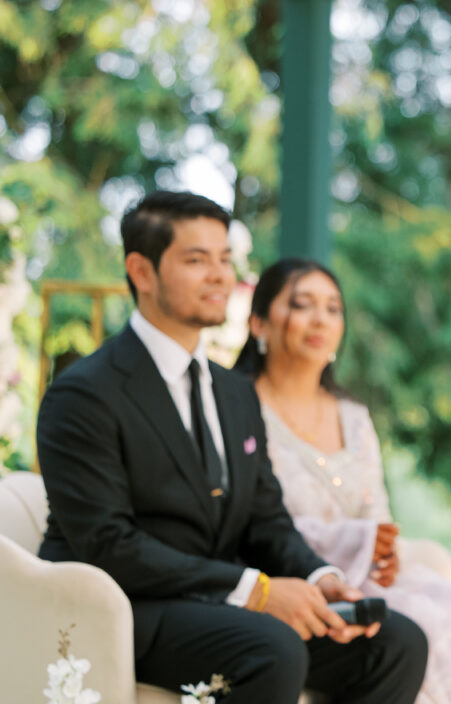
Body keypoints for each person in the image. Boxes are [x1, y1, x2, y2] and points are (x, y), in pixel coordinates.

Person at [36, 191, 427, 704]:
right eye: (197, 260)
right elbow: (109, 545)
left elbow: (265, 517)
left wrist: (320, 576)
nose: (221, 276)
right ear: (142, 271)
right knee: (274, 647)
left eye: (225, 259)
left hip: (216, 603)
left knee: (396, 641)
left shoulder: (235, 392)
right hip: (125, 605)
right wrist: (258, 591)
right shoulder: (84, 393)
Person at [233, 258, 451, 704]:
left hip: (368, 575)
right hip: (291, 579)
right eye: (302, 305)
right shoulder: (237, 407)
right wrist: (359, 542)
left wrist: (382, 549)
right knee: (425, 628)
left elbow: (377, 516)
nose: (320, 320)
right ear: (259, 323)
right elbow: (251, 520)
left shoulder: (353, 415)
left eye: (332, 308)